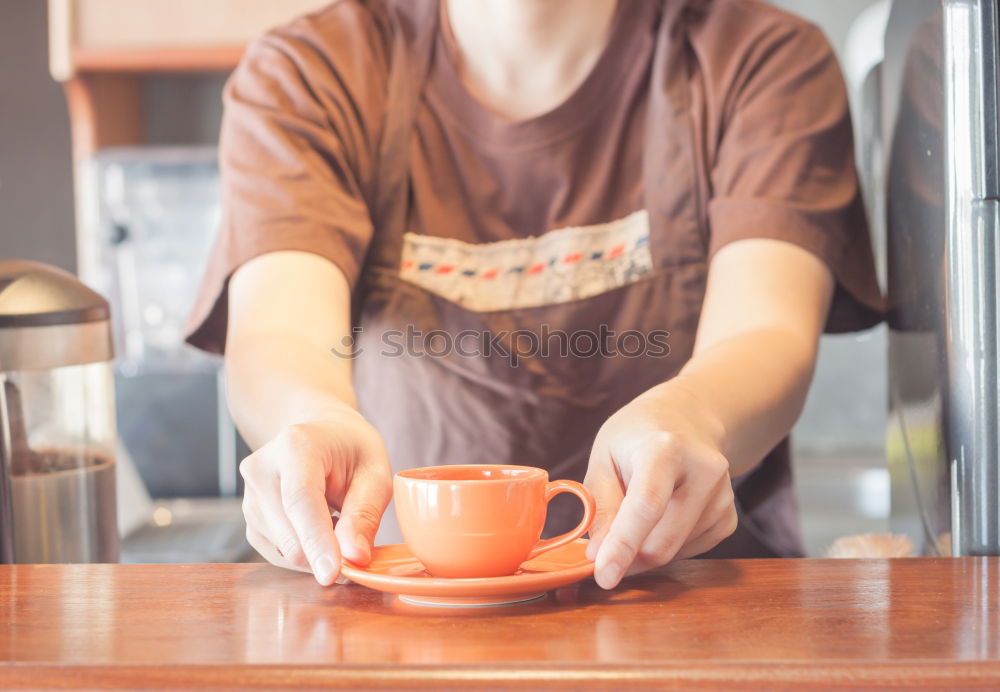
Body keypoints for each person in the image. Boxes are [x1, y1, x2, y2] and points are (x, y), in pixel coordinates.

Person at [186, 0, 883, 590]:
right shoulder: (313, 70)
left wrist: (696, 416)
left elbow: (766, 332)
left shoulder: (760, 60)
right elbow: (279, 332)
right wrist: (307, 421)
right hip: (399, 614)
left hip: (689, 604)